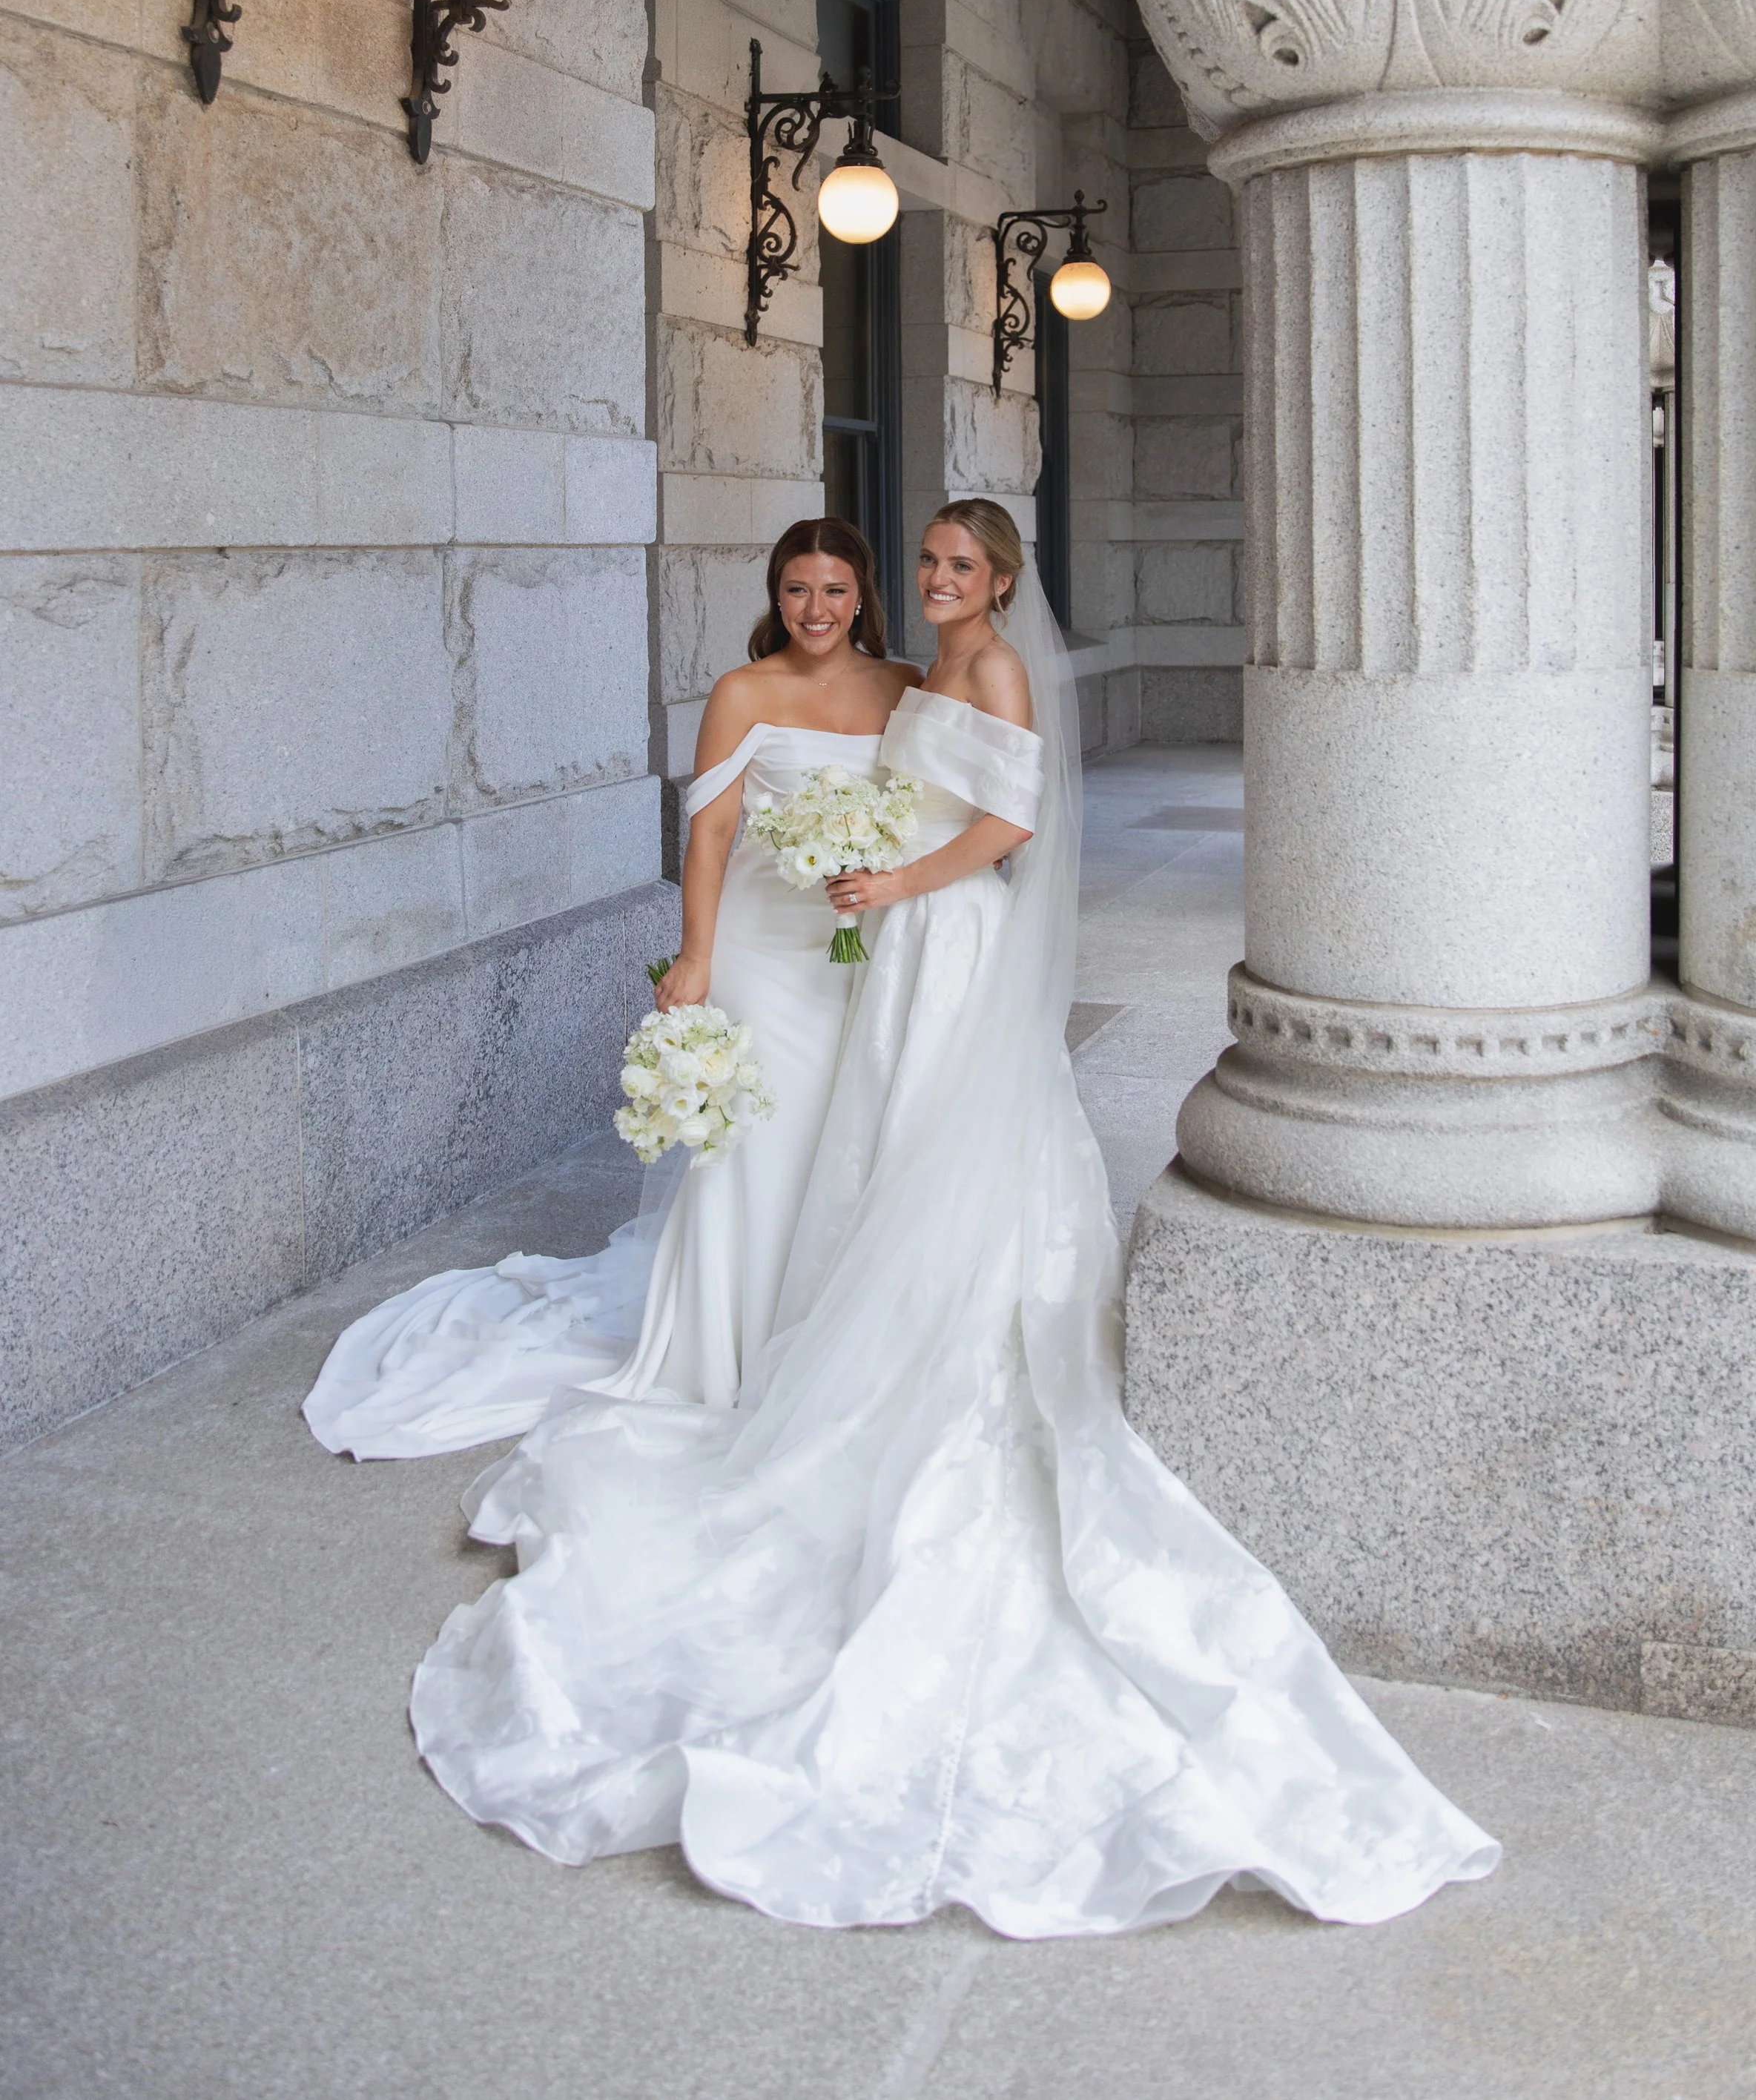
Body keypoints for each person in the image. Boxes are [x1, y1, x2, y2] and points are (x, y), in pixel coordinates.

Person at [406, 500, 1500, 1936]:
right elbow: (769, 817)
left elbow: (1009, 825)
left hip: (939, 931)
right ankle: (847, 1316)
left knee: (936, 1151)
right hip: (889, 944)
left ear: (997, 579)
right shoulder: (921, 672)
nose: (935, 580)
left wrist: (897, 876)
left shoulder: (988, 670)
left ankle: (931, 1339)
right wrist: (797, 915)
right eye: (924, 563)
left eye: (955, 566)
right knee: (880, 1153)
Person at [303, 518, 916, 1456]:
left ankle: (834, 1330)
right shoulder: (744, 689)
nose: (816, 608)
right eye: (797, 588)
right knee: (763, 1132)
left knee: (849, 1122)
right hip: (762, 943)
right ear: (775, 594)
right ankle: (729, 1342)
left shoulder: (905, 685)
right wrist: (696, 955)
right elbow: (711, 833)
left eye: (834, 589)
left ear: (862, 593)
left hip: (856, 938)